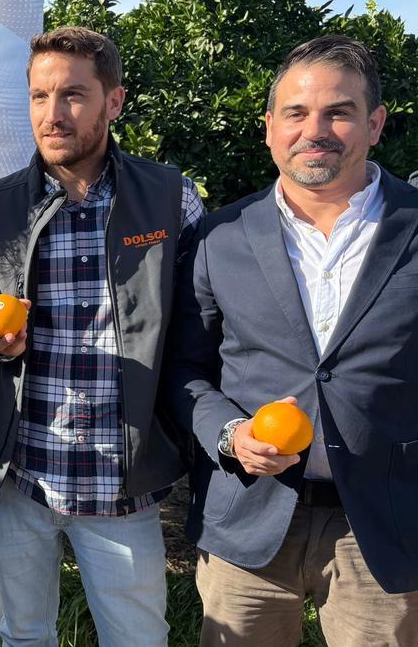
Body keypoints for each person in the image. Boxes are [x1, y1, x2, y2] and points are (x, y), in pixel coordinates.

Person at [165, 34, 418, 645]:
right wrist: (229, 435)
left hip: (385, 522)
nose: (316, 129)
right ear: (269, 127)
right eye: (297, 113)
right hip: (247, 516)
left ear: (375, 123)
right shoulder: (220, 236)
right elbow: (183, 369)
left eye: (339, 111)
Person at [0, 26, 204, 646]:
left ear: (113, 101)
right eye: (40, 97)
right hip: (21, 476)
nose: (53, 114)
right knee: (25, 635)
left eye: (72, 95)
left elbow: (200, 333)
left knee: (138, 640)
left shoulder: (171, 201)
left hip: (122, 484)